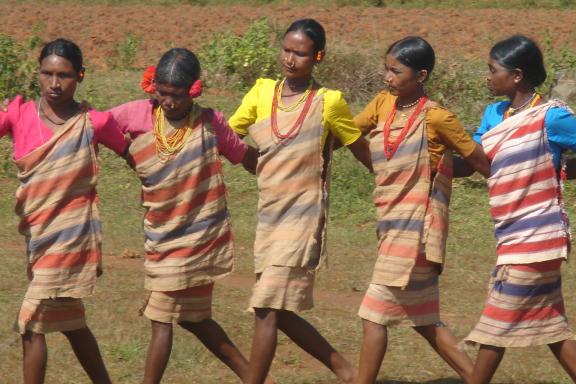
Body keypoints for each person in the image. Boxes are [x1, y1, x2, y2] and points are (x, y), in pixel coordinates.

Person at [109, 48, 267, 384]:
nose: (168, 102)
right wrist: (126, 152)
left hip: (197, 242)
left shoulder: (210, 124)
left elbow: (246, 158)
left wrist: (285, 167)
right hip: (160, 236)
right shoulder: (137, 114)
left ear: (194, 90)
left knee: (161, 317)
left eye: (176, 96)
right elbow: (95, 125)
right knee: (195, 320)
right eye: (161, 94)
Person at [228, 18, 372, 384]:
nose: (291, 60)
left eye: (301, 53)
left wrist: (407, 167)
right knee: (278, 307)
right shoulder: (261, 93)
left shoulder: (329, 102)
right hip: (269, 213)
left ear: (318, 57)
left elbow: (363, 154)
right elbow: (229, 135)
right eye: (287, 50)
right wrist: (253, 162)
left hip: (303, 215)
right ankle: (346, 371)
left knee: (265, 305)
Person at [352, 36, 490, 384]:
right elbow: (350, 132)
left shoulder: (438, 117)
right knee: (425, 319)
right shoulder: (383, 104)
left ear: (421, 75)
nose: (387, 78)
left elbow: (475, 161)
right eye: (386, 69)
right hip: (392, 222)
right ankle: (476, 378)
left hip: (416, 230)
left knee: (373, 314)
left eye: (396, 72)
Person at [0, 38, 129, 384]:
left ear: (80, 76)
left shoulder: (94, 123)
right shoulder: (18, 113)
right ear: (37, 74)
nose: (54, 84)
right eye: (47, 73)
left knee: (31, 322)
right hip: (38, 237)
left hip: (73, 239)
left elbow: (135, 156)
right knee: (72, 323)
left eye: (65, 75)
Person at [465, 34, 576, 384]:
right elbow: (477, 161)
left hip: (537, 237)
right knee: (554, 331)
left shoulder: (551, 118)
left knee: (495, 324)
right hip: (510, 233)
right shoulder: (494, 114)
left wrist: (563, 170)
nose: (487, 76)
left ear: (515, 75)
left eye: (492, 69)